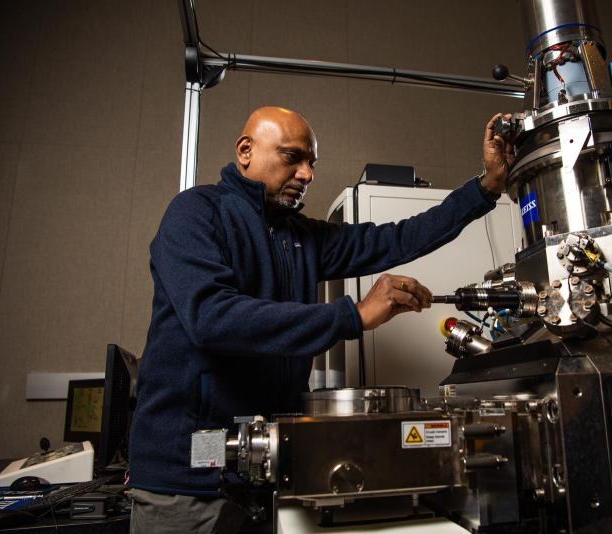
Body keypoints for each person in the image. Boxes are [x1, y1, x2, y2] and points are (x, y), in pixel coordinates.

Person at [128, 106, 513, 533]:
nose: (307, 174)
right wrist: (352, 315)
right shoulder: (196, 213)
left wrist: (486, 188)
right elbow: (210, 317)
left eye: (311, 162)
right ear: (245, 150)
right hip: (186, 485)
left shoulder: (302, 237)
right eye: (294, 157)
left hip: (267, 479)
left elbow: (396, 238)